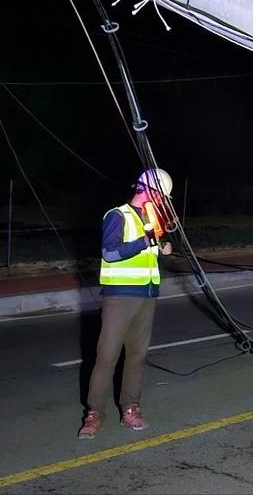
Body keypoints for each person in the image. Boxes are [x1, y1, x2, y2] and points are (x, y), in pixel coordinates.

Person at [78, 167, 175, 439]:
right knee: (107, 356)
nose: (162, 203)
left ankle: (130, 409)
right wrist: (145, 241)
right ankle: (94, 414)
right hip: (120, 297)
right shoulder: (117, 215)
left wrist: (162, 250)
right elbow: (110, 253)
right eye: (161, 197)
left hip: (147, 296)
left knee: (137, 356)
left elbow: (151, 252)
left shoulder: (151, 219)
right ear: (147, 191)